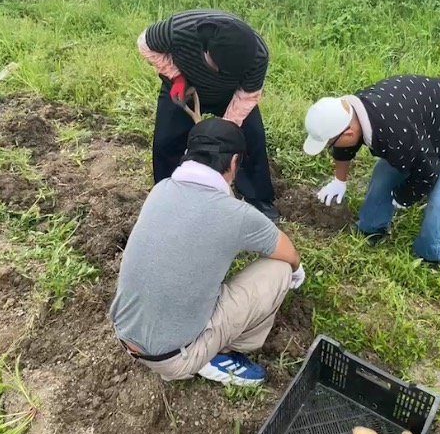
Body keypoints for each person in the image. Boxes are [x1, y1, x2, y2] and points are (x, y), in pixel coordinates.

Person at [110, 117, 304, 385]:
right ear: (234, 162)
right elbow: (290, 254)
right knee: (279, 269)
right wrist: (297, 274)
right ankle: (220, 353)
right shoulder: (237, 215)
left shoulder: (161, 189)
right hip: (175, 358)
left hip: (126, 334)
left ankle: (195, 343)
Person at [303, 74, 440, 264]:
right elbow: (344, 146)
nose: (330, 146)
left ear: (349, 133)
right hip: (423, 128)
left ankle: (430, 256)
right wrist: (339, 180)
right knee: (382, 178)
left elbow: (428, 171)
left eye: (329, 143)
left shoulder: (396, 135)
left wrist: (404, 196)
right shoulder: (352, 112)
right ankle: (370, 229)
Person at [138, 8, 278, 221]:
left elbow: (247, 95)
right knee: (166, 142)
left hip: (232, 95)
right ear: (205, 49)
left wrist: (226, 130)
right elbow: (145, 44)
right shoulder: (178, 29)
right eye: (220, 69)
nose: (223, 74)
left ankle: (258, 198)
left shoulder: (257, 54)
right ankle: (168, 197)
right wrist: (176, 77)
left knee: (252, 140)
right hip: (183, 87)